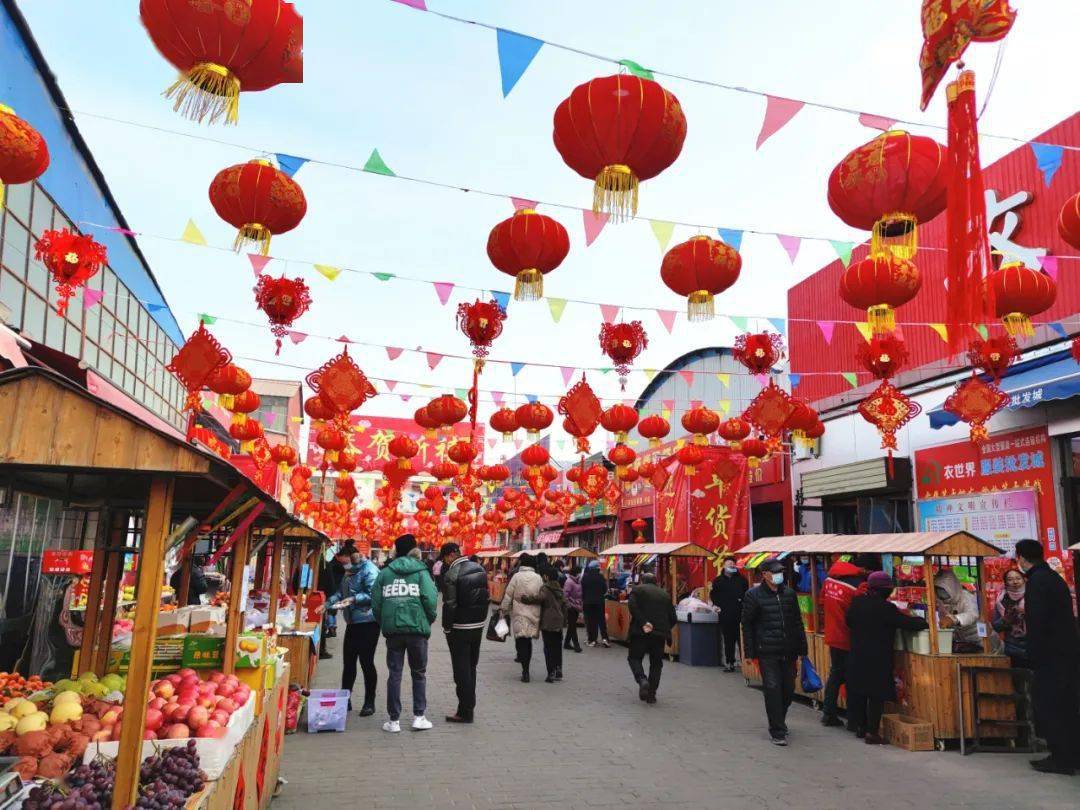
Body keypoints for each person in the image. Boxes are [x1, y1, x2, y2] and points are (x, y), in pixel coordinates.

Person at [1014, 539, 1080, 774]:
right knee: (1067, 704)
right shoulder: (1054, 579)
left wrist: (1033, 652)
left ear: (1021, 558)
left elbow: (1038, 621)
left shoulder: (1037, 582)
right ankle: (1071, 755)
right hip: (1066, 652)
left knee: (1050, 705)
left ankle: (1061, 758)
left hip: (1050, 655)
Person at [845, 571, 928, 744]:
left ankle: (860, 727)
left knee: (860, 691)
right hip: (878, 657)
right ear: (885, 591)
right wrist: (923, 622)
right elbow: (907, 623)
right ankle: (872, 732)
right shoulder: (886, 608)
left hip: (857, 655)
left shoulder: (857, 603)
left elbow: (849, 621)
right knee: (876, 695)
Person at [371, 534, 438, 733]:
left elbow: (376, 602)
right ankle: (419, 716)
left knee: (395, 674)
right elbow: (431, 599)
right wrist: (428, 619)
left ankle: (393, 721)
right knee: (419, 673)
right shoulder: (421, 571)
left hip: (394, 632)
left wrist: (384, 621)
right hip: (417, 630)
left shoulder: (384, 573)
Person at [741, 559, 807, 746]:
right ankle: (777, 730)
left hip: (788, 650)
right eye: (776, 572)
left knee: (787, 689)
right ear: (764, 575)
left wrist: (802, 648)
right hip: (766, 651)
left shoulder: (789, 594)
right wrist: (749, 652)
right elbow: (747, 624)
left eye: (781, 571)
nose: (780, 575)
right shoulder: (753, 596)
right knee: (772, 688)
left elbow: (797, 622)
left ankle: (780, 719)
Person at [438, 542, 489, 724]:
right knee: (471, 667)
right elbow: (486, 598)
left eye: (444, 558)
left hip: (460, 628)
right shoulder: (480, 569)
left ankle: (465, 711)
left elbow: (449, 604)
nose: (444, 562)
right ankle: (469, 708)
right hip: (477, 626)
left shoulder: (452, 573)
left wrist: (447, 627)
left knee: (461, 671)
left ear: (450, 555)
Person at [818, 559, 865, 728]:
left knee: (835, 675)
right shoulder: (857, 586)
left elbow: (821, 602)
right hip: (847, 637)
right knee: (849, 677)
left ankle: (828, 712)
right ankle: (850, 719)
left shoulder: (829, 580)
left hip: (832, 634)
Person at [333, 549, 380, 715]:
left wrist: (353, 599)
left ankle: (369, 702)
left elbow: (372, 594)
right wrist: (330, 603)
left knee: (366, 662)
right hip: (352, 622)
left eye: (346, 560)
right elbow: (341, 592)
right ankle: (345, 700)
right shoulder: (350, 572)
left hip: (368, 622)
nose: (344, 564)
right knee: (349, 662)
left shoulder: (371, 570)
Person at [627, 572, 677, 704]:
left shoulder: (637, 590)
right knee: (656, 664)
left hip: (640, 632)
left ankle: (642, 679)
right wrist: (664, 628)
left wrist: (644, 622)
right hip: (659, 635)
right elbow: (673, 618)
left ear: (642, 581)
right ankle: (651, 694)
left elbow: (632, 607)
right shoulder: (665, 595)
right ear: (656, 582)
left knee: (634, 658)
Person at [500, 553, 543, 682]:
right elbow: (542, 595)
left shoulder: (516, 577)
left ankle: (524, 670)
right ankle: (526, 669)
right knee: (528, 640)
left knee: (520, 640)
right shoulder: (538, 578)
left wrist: (504, 609)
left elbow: (509, 594)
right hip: (534, 614)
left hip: (519, 613)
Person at [522, 565, 568, 683]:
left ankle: (551, 672)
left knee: (548, 647)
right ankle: (559, 669)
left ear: (546, 577)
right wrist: (564, 621)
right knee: (557, 646)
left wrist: (526, 599)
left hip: (548, 622)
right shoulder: (560, 589)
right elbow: (565, 605)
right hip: (558, 622)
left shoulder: (546, 588)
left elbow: (539, 598)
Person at [710, 556, 748, 672]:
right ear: (724, 566)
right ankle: (730, 662)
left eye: (733, 564)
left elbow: (747, 595)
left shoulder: (742, 580)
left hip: (740, 615)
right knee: (728, 640)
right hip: (725, 615)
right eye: (729, 564)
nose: (731, 566)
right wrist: (716, 606)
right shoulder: (718, 581)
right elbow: (713, 595)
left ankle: (745, 664)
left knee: (742, 640)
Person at [932, 569, 981, 652]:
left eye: (944, 591)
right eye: (939, 592)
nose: (942, 595)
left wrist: (954, 619)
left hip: (980, 642)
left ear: (952, 587)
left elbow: (972, 614)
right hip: (965, 644)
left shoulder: (966, 597)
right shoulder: (943, 603)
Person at [991, 567, 1029, 669]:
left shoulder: (1032, 596)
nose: (1015, 582)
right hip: (1012, 649)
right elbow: (995, 627)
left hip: (1034, 646)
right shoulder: (1001, 600)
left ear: (1024, 579)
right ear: (1006, 582)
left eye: (1018, 578)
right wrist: (1005, 620)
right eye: (1010, 579)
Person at [324, 543, 355, 639]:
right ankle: (332, 626)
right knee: (332, 609)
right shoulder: (341, 566)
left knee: (331, 610)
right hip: (337, 589)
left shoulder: (334, 565)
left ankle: (332, 626)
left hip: (336, 589)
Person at [581, 560, 610, 647]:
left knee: (591, 621)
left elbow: (582, 590)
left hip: (588, 602)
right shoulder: (601, 577)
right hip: (599, 602)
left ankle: (592, 640)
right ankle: (605, 638)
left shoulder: (585, 577)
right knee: (601, 620)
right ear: (598, 568)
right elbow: (605, 589)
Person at [562, 565, 583, 653]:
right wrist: (569, 605)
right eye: (579, 572)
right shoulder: (569, 582)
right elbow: (565, 595)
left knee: (572, 625)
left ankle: (566, 643)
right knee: (573, 626)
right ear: (576, 573)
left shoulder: (578, 581)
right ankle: (576, 644)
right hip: (571, 607)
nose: (581, 574)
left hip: (577, 606)